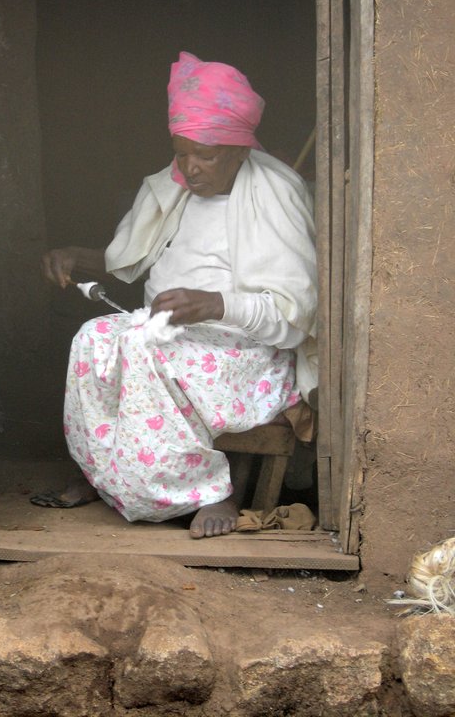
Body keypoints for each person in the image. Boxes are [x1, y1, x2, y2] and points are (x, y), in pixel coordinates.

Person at [32, 51, 318, 539]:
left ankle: (210, 490)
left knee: (144, 347)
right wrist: (76, 255)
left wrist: (213, 304)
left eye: (205, 155)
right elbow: (132, 256)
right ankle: (107, 476)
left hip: (247, 354)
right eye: (181, 152)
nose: (190, 167)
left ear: (240, 149)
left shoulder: (276, 194)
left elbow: (294, 318)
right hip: (173, 334)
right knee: (92, 337)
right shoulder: (175, 185)